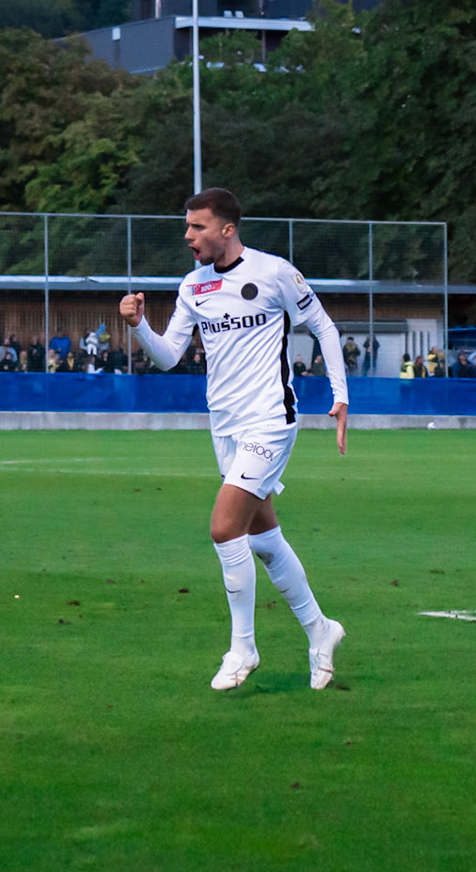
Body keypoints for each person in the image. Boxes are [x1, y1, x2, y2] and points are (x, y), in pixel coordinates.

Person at [119, 187, 351, 692]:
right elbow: (168, 356)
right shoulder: (192, 287)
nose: (188, 236)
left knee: (225, 529)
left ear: (227, 229)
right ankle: (320, 630)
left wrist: (340, 395)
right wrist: (139, 327)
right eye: (187, 226)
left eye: (197, 227)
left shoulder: (273, 272)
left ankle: (242, 647)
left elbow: (324, 327)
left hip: (270, 419)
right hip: (223, 427)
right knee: (264, 539)